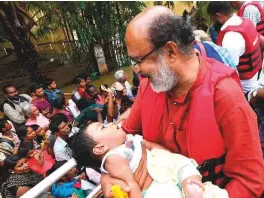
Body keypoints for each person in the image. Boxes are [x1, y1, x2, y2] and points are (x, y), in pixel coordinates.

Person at [99, 6, 264, 198]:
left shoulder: (225, 96)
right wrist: (107, 177)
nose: (137, 70)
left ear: (170, 51)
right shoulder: (149, 87)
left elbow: (250, 181)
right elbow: (125, 133)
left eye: (138, 60)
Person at [69, 122, 229, 198]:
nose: (111, 124)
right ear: (100, 148)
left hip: (163, 165)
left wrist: (170, 157)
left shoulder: (129, 140)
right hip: (154, 184)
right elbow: (130, 184)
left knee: (185, 165)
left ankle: (190, 185)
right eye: (103, 127)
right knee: (167, 193)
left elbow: (150, 145)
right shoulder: (113, 159)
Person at [207, 2, 262, 95]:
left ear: (218, 16)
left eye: (213, 19)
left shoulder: (231, 37)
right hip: (255, 76)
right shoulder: (245, 21)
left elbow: (229, 70)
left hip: (245, 86)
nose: (213, 23)